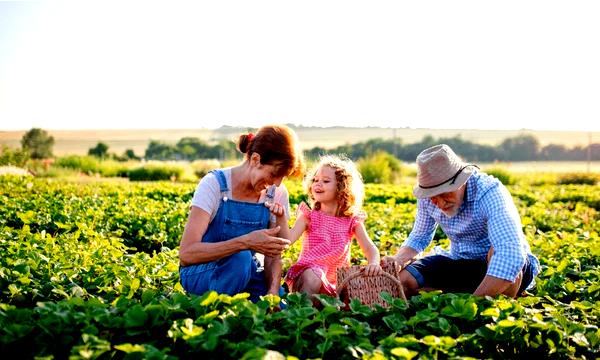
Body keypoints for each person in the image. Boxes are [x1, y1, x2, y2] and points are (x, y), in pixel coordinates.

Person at [383, 144, 540, 298]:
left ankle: (493, 307)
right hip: (460, 261)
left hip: (497, 265)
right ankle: (460, 293)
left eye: (445, 193)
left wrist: (472, 304)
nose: (440, 203)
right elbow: (419, 237)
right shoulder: (427, 195)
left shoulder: (489, 192)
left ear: (462, 180)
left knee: (497, 251)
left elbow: (510, 254)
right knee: (404, 281)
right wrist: (397, 260)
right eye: (433, 196)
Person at [178, 124, 304, 302]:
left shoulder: (277, 193)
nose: (277, 183)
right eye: (275, 173)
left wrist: (273, 293)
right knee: (241, 259)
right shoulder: (214, 185)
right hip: (202, 271)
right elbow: (187, 254)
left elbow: (274, 254)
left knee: (280, 311)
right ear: (255, 159)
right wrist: (244, 243)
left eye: (283, 176)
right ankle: (215, 312)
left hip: (248, 272)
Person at [267, 155, 382, 298]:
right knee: (314, 276)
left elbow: (369, 247)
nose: (317, 184)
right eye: (315, 180)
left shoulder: (352, 221)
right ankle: (303, 314)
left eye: (325, 181)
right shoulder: (309, 216)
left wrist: (374, 263)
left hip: (334, 282)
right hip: (306, 277)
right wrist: (281, 218)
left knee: (355, 289)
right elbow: (287, 240)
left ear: (342, 187)